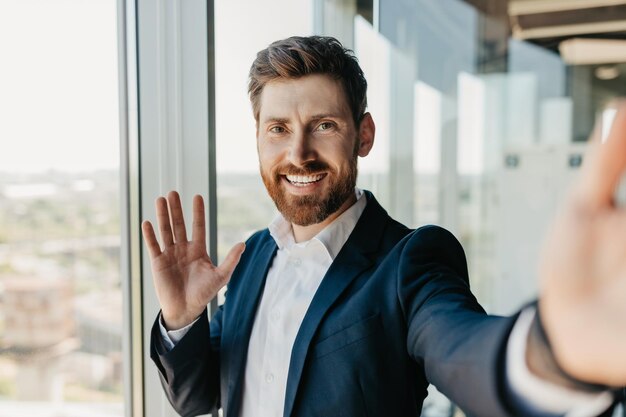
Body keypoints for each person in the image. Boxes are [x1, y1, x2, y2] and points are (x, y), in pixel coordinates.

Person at [142, 36, 626, 417]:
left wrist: (553, 352)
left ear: (364, 135)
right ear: (259, 139)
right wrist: (182, 321)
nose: (298, 154)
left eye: (324, 125)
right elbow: (198, 399)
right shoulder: (248, 259)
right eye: (278, 129)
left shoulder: (409, 260)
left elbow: (463, 350)